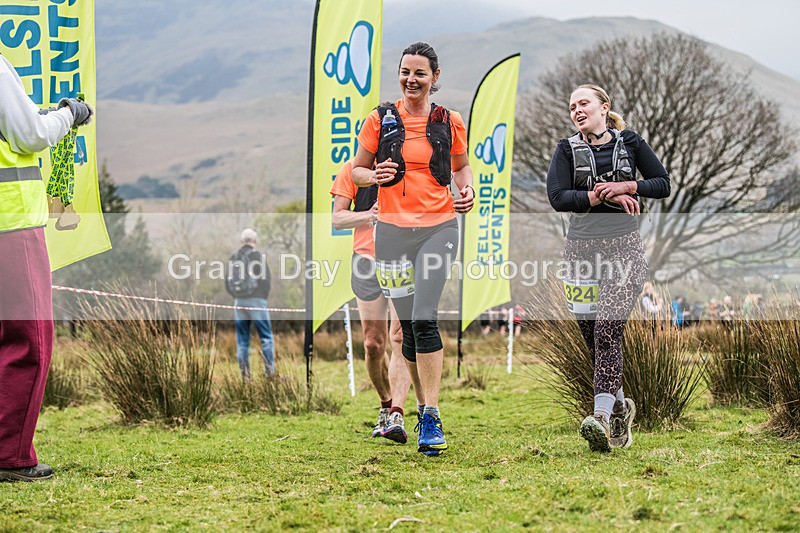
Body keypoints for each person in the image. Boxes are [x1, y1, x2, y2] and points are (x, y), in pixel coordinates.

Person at [352, 42, 474, 456]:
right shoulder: (379, 120)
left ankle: (433, 415)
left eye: (420, 73)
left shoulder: (450, 120)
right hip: (390, 234)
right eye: (406, 71)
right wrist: (374, 174)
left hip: (439, 229)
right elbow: (357, 168)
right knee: (405, 330)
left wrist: (467, 189)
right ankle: (422, 409)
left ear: (434, 77)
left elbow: (460, 166)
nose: (412, 79)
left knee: (424, 319)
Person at [547, 84, 670, 452]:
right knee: (594, 340)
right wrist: (601, 194)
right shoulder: (566, 149)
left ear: (604, 107)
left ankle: (599, 417)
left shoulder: (631, 142)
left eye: (583, 103)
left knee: (606, 331)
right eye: (572, 107)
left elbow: (662, 183)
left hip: (624, 251)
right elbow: (557, 197)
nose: (577, 110)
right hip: (580, 253)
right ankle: (619, 408)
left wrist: (629, 185)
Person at [0, 54, 93, 481]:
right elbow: (29, 135)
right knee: (28, 340)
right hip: (9, 222)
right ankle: (9, 456)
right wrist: (68, 116)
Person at [330, 160, 414, 443]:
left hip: (403, 260)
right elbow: (338, 218)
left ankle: (398, 414)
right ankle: (385, 402)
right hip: (365, 261)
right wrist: (370, 216)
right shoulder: (353, 169)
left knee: (400, 336)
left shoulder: (410, 163)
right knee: (373, 343)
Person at [226, 228, 274, 379]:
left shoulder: (234, 257)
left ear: (242, 241)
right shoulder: (257, 256)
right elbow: (266, 280)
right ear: (255, 241)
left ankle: (245, 377)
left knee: (242, 340)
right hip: (257, 301)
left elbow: (227, 283)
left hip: (239, 302)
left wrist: (237, 296)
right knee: (266, 338)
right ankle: (270, 374)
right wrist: (261, 297)